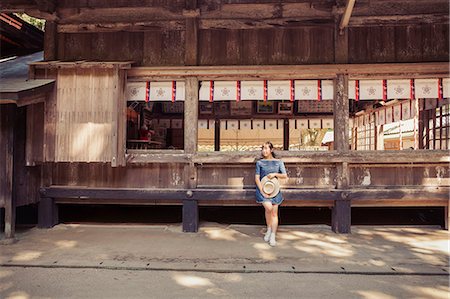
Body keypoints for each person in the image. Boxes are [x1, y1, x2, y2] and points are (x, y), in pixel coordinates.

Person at [255, 141, 288, 247]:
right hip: (263, 189)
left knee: (274, 213)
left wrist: (274, 174)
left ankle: (272, 235)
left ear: (271, 150)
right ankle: (269, 229)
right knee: (268, 208)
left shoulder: (278, 162)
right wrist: (262, 191)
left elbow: (284, 175)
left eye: (266, 148)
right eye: (263, 148)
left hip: (274, 189)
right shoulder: (259, 163)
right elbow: (257, 178)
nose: (264, 151)